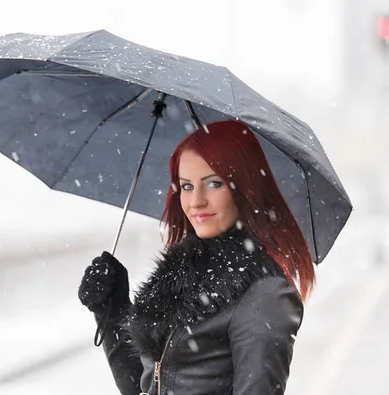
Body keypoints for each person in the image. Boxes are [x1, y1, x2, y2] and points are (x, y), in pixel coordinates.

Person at [78, 119, 315, 395]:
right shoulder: (181, 276)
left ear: (245, 188)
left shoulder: (266, 293)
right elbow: (145, 386)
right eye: (187, 186)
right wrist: (111, 309)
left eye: (213, 183)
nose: (195, 201)